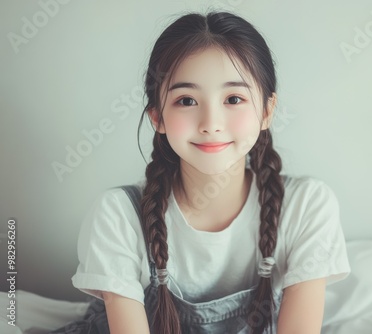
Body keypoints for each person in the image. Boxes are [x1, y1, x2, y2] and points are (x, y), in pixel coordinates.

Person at [53, 11, 351, 334]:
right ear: (157, 117)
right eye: (186, 100)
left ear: (267, 110)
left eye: (233, 98)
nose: (211, 123)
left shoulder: (307, 206)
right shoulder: (117, 215)